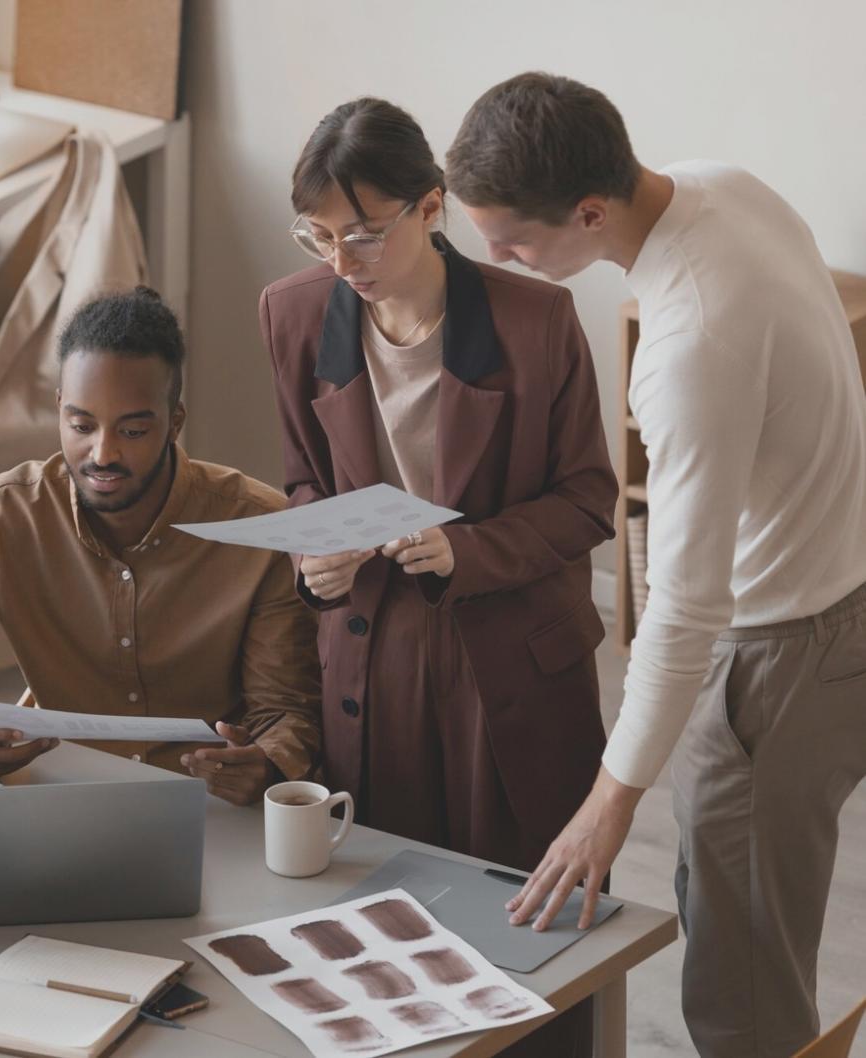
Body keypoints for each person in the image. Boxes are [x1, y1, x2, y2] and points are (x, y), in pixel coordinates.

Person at [447, 72, 866, 1058]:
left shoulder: (685, 344)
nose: (494, 259)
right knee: (753, 938)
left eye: (508, 239)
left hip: (777, 660)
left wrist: (606, 804)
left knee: (741, 997)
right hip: (846, 593)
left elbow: (682, 608)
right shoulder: (723, 186)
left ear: (587, 212)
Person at [261, 98, 617, 1056]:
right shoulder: (293, 314)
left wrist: (472, 551)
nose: (343, 262)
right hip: (369, 659)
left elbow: (590, 501)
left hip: (507, 662)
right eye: (320, 235)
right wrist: (313, 550)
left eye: (366, 233)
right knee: (378, 943)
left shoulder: (538, 320)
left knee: (526, 937)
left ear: (432, 208)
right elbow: (304, 474)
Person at [0, 287, 322, 803]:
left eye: (134, 430)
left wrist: (269, 763)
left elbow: (285, 709)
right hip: (58, 794)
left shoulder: (260, 529)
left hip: (210, 805)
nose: (103, 453)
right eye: (80, 425)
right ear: (59, 411)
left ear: (174, 423)